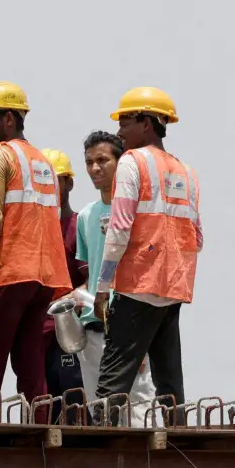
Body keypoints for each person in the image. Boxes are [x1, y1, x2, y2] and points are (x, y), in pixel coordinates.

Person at [0, 82, 70, 421]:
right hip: (43, 278)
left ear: (8, 118)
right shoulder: (44, 163)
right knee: (30, 362)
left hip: (10, 274)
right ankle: (42, 431)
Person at [94, 88, 202, 426]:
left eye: (126, 121)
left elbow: (120, 229)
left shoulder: (132, 162)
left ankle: (96, 452)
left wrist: (102, 286)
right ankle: (178, 443)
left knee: (113, 379)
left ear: (148, 123)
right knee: (169, 381)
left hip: (138, 283)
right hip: (173, 285)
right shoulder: (187, 172)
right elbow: (197, 239)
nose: (120, 131)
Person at [74, 131, 156, 424]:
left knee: (138, 404)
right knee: (100, 408)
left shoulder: (139, 212)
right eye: (89, 162)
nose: (95, 168)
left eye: (103, 160)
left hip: (129, 321)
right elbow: (91, 272)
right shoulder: (85, 216)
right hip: (93, 326)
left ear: (121, 163)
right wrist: (76, 296)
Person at [39, 149, 89, 423]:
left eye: (55, 180)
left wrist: (70, 300)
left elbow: (92, 278)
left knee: (73, 397)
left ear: (69, 183)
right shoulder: (34, 230)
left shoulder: (78, 225)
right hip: (37, 333)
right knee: (41, 401)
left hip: (69, 333)